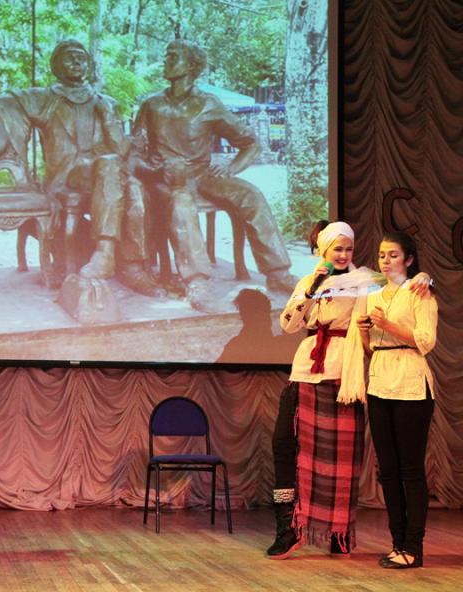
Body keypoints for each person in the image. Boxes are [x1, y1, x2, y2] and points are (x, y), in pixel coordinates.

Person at [268, 221, 431, 560]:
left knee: (340, 460)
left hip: (344, 375)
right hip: (306, 370)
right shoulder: (308, 282)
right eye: (336, 250)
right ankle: (288, 527)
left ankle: (337, 533)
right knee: (286, 445)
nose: (342, 255)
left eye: (347, 249)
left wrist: (423, 277)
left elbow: (398, 285)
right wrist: (313, 284)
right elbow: (287, 324)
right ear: (323, 252)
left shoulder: (364, 283)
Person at [131, 40, 296, 311]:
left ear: (192, 66)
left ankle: (278, 273)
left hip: (202, 176)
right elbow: (134, 151)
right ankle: (197, 281)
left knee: (251, 194)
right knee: (181, 201)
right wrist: (150, 169)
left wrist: (230, 168)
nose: (166, 61)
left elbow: (250, 142)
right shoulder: (152, 105)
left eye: (174, 57)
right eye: (167, 56)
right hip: (166, 179)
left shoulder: (209, 105)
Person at [0, 38, 160, 295]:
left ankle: (132, 267)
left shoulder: (105, 102)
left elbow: (120, 149)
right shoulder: (44, 98)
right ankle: (105, 253)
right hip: (68, 174)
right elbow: (2, 103)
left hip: (107, 173)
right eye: (70, 56)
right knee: (111, 166)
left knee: (136, 190)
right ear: (56, 65)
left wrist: (108, 116)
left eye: (81, 57)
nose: (76, 61)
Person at [356, 231, 437, 569]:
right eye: (381, 255)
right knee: (387, 470)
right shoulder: (375, 295)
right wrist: (364, 333)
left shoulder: (421, 291)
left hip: (411, 382)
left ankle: (413, 547)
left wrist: (389, 324)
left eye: (392, 255)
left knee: (409, 469)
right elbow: (370, 347)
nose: (385, 260)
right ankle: (397, 542)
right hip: (380, 379)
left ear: (409, 259)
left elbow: (425, 340)